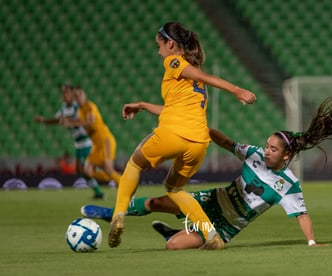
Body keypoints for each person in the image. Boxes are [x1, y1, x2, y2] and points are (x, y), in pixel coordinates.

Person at [81, 98, 332, 249]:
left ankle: (172, 233)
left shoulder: (288, 184)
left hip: (226, 226)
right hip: (212, 200)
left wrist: (312, 242)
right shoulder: (254, 154)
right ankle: (111, 213)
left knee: (173, 247)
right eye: (267, 145)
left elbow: (302, 215)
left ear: (286, 156)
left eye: (272, 149)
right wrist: (203, 129)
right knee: (156, 202)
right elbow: (227, 143)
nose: (266, 150)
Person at [108, 22, 256, 250]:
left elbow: (199, 75)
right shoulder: (190, 82)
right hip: (198, 143)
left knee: (134, 164)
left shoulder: (174, 62)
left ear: (171, 44)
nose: (159, 52)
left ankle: (118, 215)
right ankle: (212, 236)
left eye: (160, 45)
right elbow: (175, 107)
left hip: (174, 133)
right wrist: (144, 105)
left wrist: (236, 90)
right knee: (174, 189)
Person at [34, 84, 105, 199]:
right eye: (63, 93)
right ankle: (98, 191)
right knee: (79, 170)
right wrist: (43, 120)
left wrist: (69, 121)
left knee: (85, 168)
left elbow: (85, 120)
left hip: (87, 140)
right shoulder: (63, 108)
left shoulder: (79, 106)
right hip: (78, 143)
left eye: (66, 93)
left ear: (72, 94)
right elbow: (57, 120)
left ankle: (107, 181)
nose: (64, 95)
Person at [61, 87, 122, 189]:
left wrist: (70, 122)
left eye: (80, 94)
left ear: (85, 95)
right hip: (96, 144)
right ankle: (118, 178)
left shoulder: (89, 106)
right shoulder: (80, 110)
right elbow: (83, 124)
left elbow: (90, 121)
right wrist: (68, 121)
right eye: (76, 96)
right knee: (87, 170)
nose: (78, 97)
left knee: (108, 168)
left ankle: (123, 186)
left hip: (105, 139)